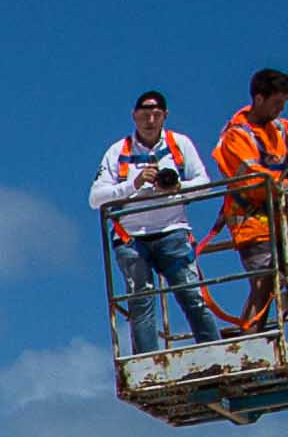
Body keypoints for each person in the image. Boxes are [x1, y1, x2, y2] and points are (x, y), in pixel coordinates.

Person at [214, 68, 288, 335]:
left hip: (281, 220)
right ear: (259, 99)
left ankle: (251, 332)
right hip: (252, 221)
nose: (280, 109)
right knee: (263, 280)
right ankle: (249, 337)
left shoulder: (282, 129)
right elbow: (252, 180)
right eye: (276, 103)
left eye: (284, 103)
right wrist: (284, 187)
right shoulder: (237, 136)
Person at [92, 89, 216, 346]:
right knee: (141, 302)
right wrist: (133, 184)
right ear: (134, 116)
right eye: (145, 114)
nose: (150, 120)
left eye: (156, 114)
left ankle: (214, 348)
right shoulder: (117, 151)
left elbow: (205, 183)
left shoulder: (179, 144)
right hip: (131, 237)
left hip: (173, 230)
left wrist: (176, 186)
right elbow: (96, 199)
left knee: (191, 295)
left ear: (165, 116)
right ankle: (149, 360)